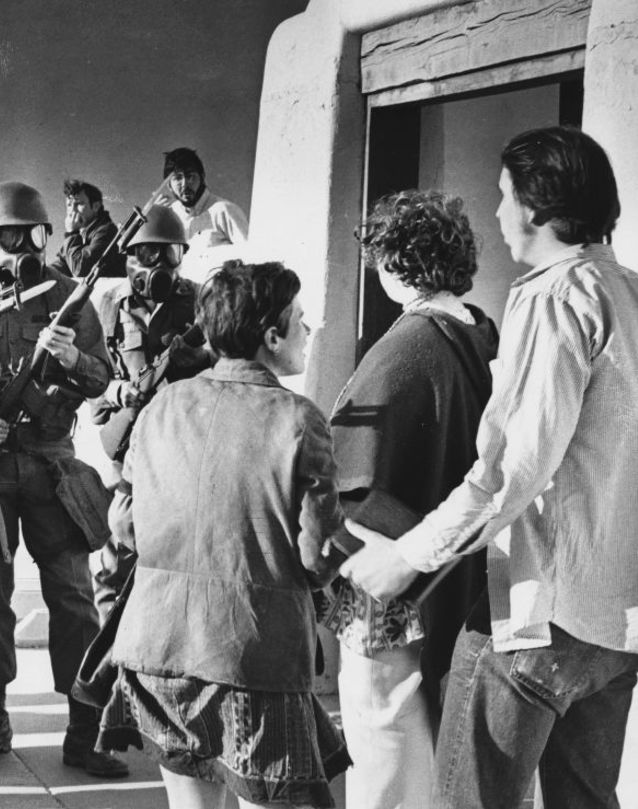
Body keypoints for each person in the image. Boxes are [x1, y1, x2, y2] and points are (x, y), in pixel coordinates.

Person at [341, 126, 638, 809]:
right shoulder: (629, 291)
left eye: (504, 196)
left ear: (539, 207)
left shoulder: (553, 294)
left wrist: (407, 556)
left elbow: (511, 468)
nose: (499, 213)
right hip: (617, 627)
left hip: (538, 616)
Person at [99, 260, 348, 809]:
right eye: (300, 320)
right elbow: (317, 555)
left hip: (157, 647)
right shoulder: (299, 418)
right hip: (251, 655)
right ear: (271, 335)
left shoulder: (162, 405)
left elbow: (123, 524)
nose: (309, 331)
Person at [321, 190, 496, 809]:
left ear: (396, 264)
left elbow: (345, 471)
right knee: (434, 734)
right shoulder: (478, 332)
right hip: (456, 568)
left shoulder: (406, 345)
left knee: (382, 730)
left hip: (390, 580)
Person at [0, 181, 126, 778]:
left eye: (32, 233)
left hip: (53, 465)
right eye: (9, 236)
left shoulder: (67, 297)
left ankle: (83, 729)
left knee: (74, 599)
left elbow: (102, 377)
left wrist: (72, 357)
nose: (22, 245)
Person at [90, 204, 212, 617]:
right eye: (147, 255)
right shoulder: (108, 305)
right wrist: (119, 391)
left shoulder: (201, 302)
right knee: (119, 555)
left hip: (186, 450)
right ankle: (107, 666)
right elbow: (93, 380)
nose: (160, 265)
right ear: (128, 258)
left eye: (171, 254)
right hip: (131, 451)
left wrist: (198, 357)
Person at [155, 147, 248, 282]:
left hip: (218, 297)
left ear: (202, 176)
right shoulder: (168, 217)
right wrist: (154, 221)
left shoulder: (224, 210)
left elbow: (251, 257)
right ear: (169, 186)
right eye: (177, 178)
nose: (185, 184)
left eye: (190, 175)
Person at [47, 178, 125, 278]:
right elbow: (63, 264)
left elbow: (80, 270)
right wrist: (43, 274)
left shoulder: (106, 231)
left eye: (79, 204)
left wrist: (71, 234)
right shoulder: (81, 234)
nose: (72, 211)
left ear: (96, 206)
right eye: (69, 205)